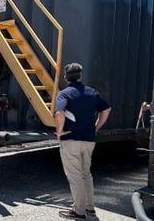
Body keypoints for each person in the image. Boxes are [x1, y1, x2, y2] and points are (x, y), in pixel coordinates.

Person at [54, 63, 111, 220]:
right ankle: (90, 209)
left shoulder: (64, 94)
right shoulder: (92, 92)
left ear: (66, 78)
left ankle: (79, 212)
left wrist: (59, 132)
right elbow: (106, 109)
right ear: (80, 76)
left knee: (75, 176)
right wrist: (96, 127)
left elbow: (59, 112)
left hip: (70, 140)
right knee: (86, 174)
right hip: (89, 140)